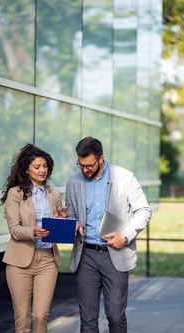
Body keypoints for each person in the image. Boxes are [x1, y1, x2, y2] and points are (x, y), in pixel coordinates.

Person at [66, 137, 152, 333]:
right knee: (87, 318)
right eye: (81, 165)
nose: (84, 170)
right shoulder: (73, 183)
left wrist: (126, 236)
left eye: (89, 165)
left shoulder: (125, 177)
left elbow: (144, 211)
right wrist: (73, 222)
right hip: (85, 255)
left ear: (101, 158)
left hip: (115, 253)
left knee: (115, 315)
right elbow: (72, 214)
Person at [1, 143, 68, 333]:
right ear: (26, 169)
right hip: (19, 262)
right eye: (37, 167)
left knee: (40, 316)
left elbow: (53, 228)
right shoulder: (15, 194)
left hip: (47, 260)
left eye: (45, 166)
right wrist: (34, 231)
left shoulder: (54, 194)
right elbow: (14, 229)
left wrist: (59, 220)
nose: (42, 170)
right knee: (22, 318)